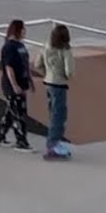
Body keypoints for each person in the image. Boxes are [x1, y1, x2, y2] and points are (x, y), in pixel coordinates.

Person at [34, 23, 75, 160]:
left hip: (48, 83)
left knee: (53, 113)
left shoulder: (46, 46)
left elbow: (37, 64)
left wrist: (46, 73)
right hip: (59, 84)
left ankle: (53, 142)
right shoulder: (65, 50)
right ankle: (53, 144)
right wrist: (66, 76)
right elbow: (69, 71)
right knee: (59, 115)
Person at [0, 19, 34, 152]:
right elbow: (9, 67)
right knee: (19, 114)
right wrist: (15, 85)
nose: (25, 31)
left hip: (22, 84)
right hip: (12, 86)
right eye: (23, 29)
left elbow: (25, 64)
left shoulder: (20, 46)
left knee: (11, 113)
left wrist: (30, 80)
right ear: (17, 30)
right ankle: (21, 141)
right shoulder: (9, 47)